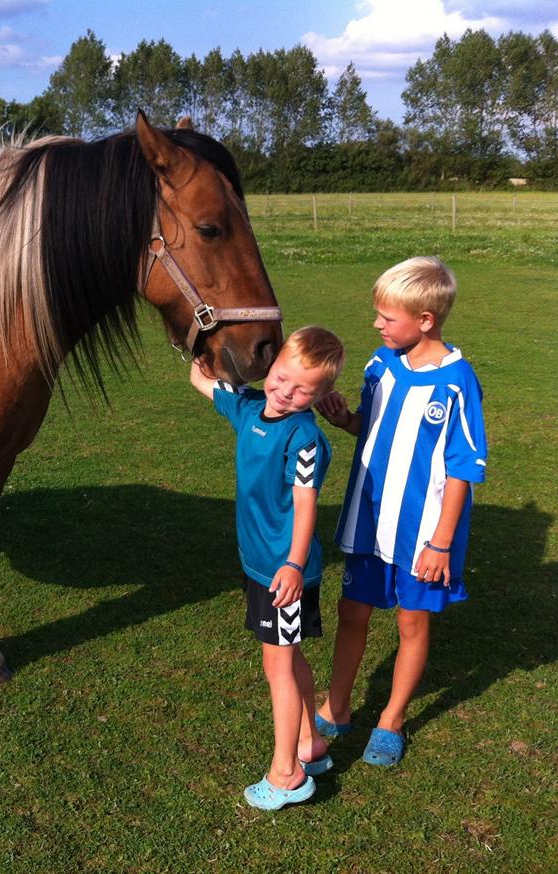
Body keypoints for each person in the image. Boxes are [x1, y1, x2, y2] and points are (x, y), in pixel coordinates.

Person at [313, 256, 487, 768]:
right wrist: (348, 420)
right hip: (369, 519)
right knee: (352, 613)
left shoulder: (457, 381)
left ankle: (390, 719)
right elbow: (374, 426)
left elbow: (463, 467)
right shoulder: (379, 364)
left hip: (422, 534)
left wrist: (441, 543)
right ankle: (337, 706)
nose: (377, 325)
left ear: (426, 320)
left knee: (412, 622)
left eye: (387, 318)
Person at [190, 326, 345, 810]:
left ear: (320, 397)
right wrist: (198, 341)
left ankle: (286, 774)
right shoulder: (251, 408)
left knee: (278, 664)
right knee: (289, 658)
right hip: (258, 566)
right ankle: (310, 744)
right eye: (280, 377)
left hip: (286, 576)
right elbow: (203, 381)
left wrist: (295, 565)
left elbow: (305, 505)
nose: (284, 392)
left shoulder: (305, 439)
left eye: (301, 390)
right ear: (271, 367)